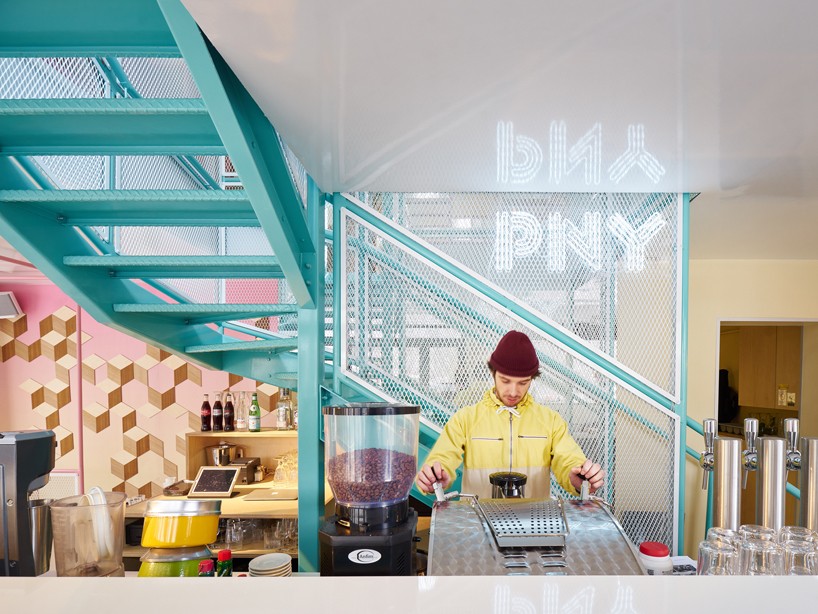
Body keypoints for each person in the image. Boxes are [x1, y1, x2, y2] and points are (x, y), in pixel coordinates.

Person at [416, 330, 604, 499]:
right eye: (505, 381)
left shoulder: (551, 421)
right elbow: (442, 459)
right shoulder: (464, 420)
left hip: (533, 521)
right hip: (479, 522)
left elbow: (569, 460)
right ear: (493, 373)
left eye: (523, 383)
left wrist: (579, 477)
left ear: (532, 379)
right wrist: (435, 476)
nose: (513, 392)